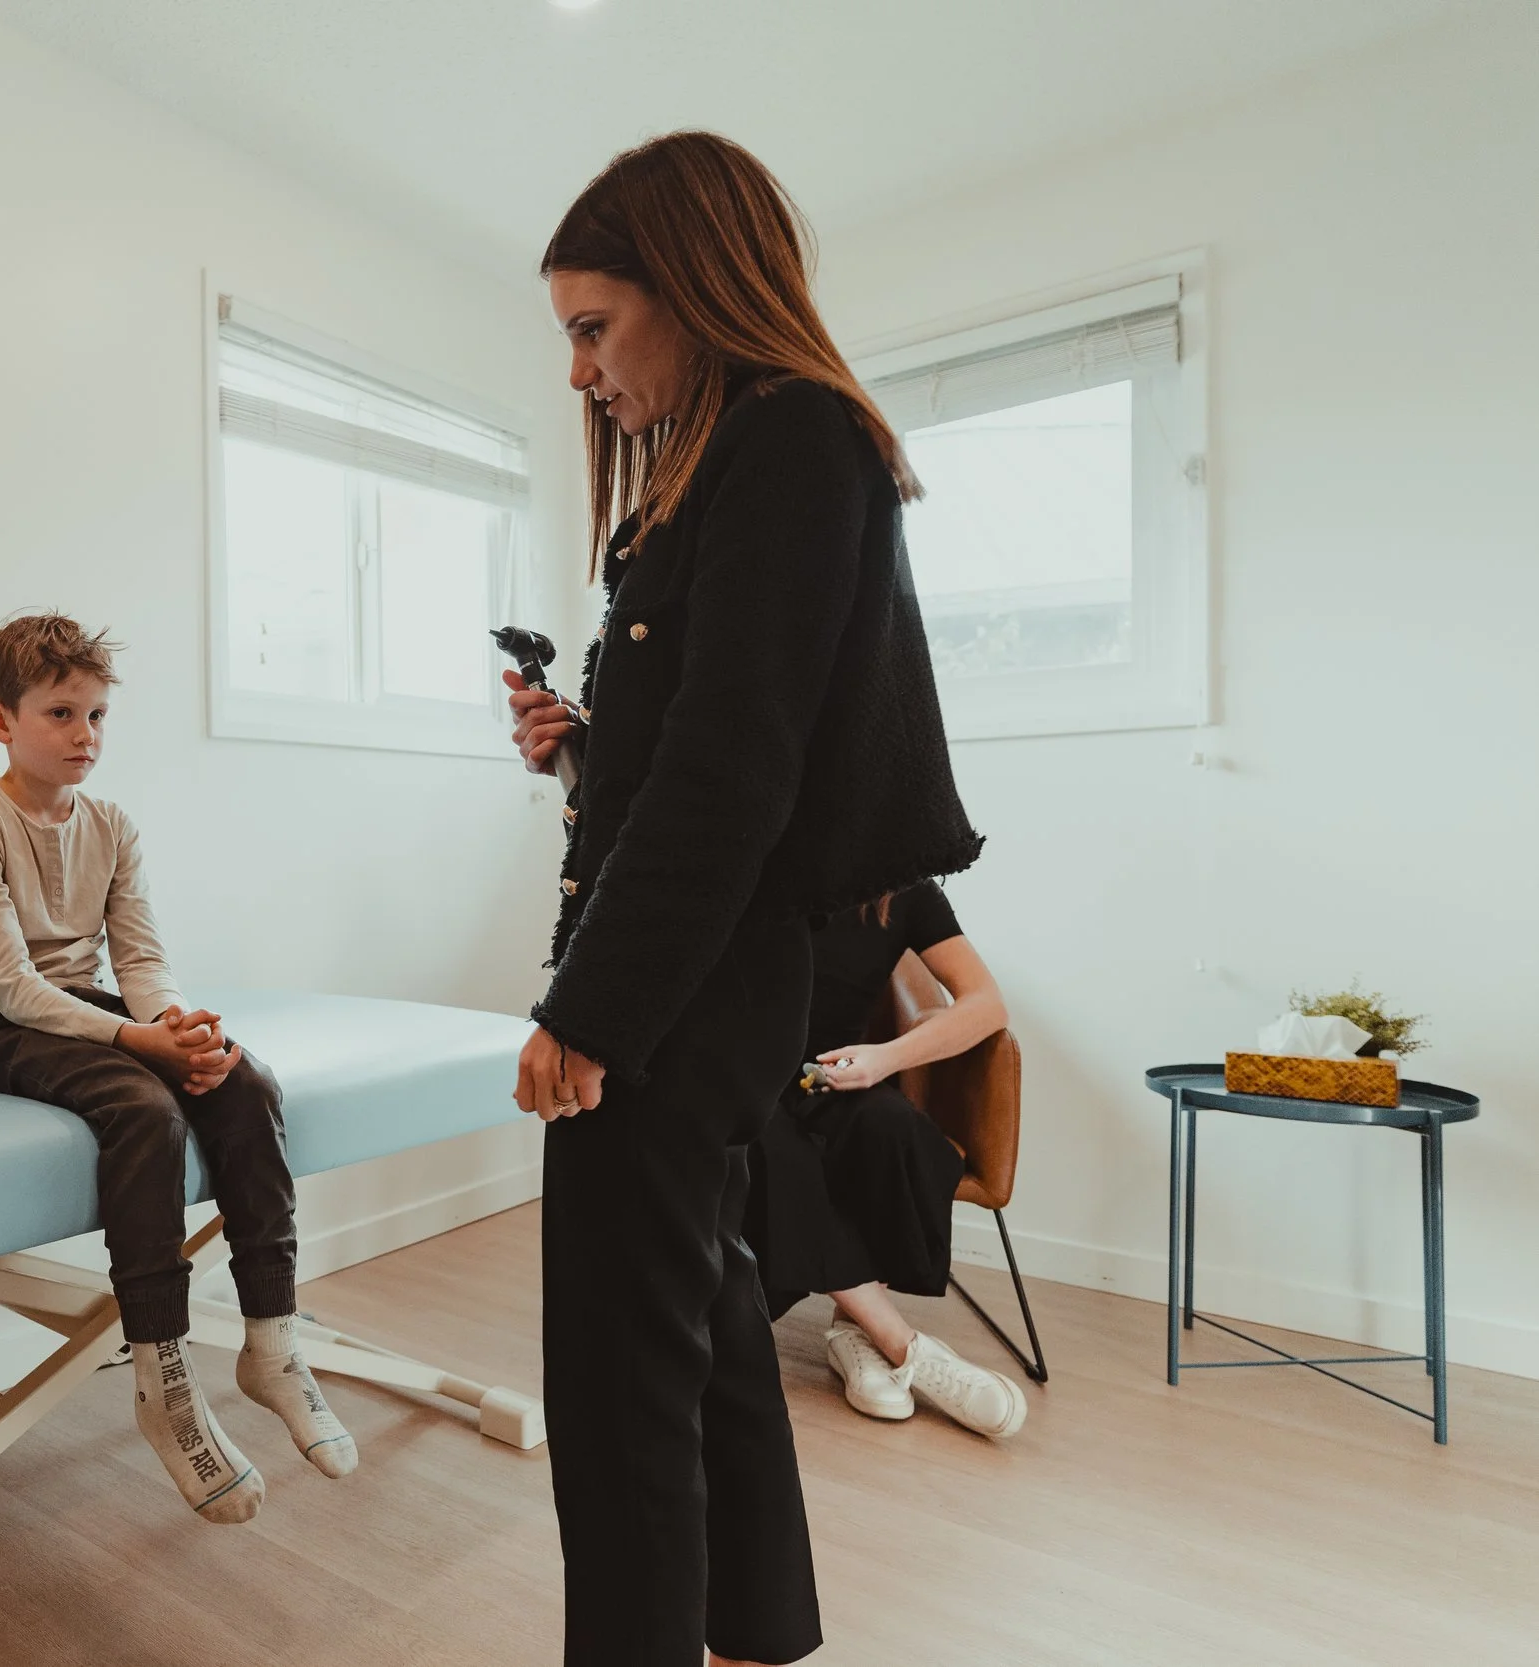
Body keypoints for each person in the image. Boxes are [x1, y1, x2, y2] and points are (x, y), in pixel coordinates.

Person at [507, 133, 982, 1667]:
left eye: (595, 326)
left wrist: (588, 1010)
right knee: (701, 1314)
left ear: (695, 285)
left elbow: (729, 781)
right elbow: (701, 753)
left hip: (684, 984)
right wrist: (578, 747)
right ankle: (759, 1628)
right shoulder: (736, 463)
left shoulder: (787, 440)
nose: (580, 371)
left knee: (617, 1371)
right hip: (709, 973)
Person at [0, 611, 355, 1523]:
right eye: (60, 714)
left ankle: (273, 1342)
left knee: (243, 1079)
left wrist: (175, 1026)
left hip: (83, 1006)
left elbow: (142, 958)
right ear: (2, 720)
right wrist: (136, 1044)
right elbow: (10, 986)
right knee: (141, 1108)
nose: (85, 734)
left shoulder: (113, 824)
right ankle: (164, 1376)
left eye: (96, 715)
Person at [744, 884, 1029, 1439]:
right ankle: (906, 1348)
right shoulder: (757, 868)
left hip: (825, 1081)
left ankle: (853, 1330)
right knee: (775, 1152)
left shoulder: (909, 892)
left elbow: (986, 1003)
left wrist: (885, 1059)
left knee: (894, 1129)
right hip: (742, 1082)